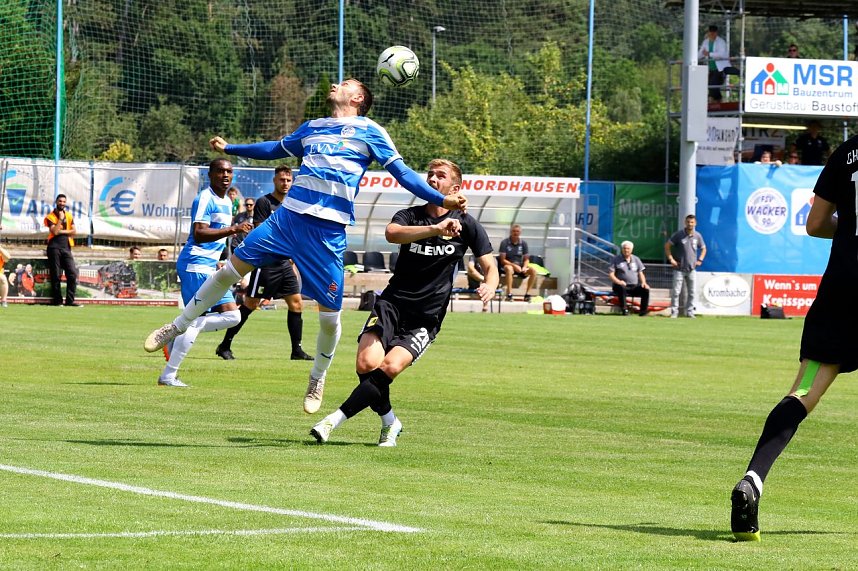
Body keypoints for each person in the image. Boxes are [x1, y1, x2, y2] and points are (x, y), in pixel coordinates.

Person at [144, 78, 468, 414]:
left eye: (342, 84)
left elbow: (403, 174)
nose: (333, 85)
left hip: (327, 235)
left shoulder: (370, 131)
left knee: (329, 318)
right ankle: (178, 325)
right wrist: (231, 149)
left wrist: (441, 198)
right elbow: (274, 148)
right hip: (287, 221)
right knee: (229, 271)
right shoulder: (312, 127)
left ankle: (318, 376)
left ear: (357, 97)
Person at [310, 159, 497, 446]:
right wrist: (436, 229)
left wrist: (490, 284)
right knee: (366, 363)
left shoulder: (468, 225)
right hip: (391, 305)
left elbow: (490, 265)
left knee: (390, 367)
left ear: (455, 188)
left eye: (440, 176)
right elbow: (392, 233)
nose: (432, 179)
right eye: (430, 175)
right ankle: (390, 422)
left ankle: (332, 420)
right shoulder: (410, 215)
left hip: (426, 317)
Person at [729, 131, 858, 541]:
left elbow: (817, 223)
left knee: (802, 392)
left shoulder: (848, 152)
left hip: (841, 288)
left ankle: (753, 478)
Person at [156, 159, 253, 387]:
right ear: (210, 175)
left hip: (210, 266)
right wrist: (234, 229)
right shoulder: (205, 198)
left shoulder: (228, 202)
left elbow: (216, 237)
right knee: (197, 320)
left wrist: (222, 260)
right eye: (220, 171)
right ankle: (169, 375)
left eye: (229, 171)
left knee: (233, 316)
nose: (225, 175)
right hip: (195, 264)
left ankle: (177, 329)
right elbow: (199, 233)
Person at [216, 166, 313, 361]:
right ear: (274, 181)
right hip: (268, 263)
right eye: (281, 180)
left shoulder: (294, 204)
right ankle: (224, 345)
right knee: (251, 304)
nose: (285, 183)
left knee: (296, 303)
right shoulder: (264, 202)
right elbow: (262, 232)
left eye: (288, 180)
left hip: (285, 263)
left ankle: (297, 350)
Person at [665, 214, 706, 319]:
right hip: (679, 268)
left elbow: (704, 249)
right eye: (688, 222)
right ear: (685, 222)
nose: (690, 224)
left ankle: (690, 312)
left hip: (692, 269)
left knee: (692, 292)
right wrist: (671, 259)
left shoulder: (698, 236)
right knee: (676, 292)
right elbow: (667, 246)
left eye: (692, 222)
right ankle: (674, 312)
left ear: (695, 223)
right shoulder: (679, 235)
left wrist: (700, 259)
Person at [44, 194, 80, 307]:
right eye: (60, 201)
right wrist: (60, 219)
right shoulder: (50, 216)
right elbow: (54, 232)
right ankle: (58, 301)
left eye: (64, 201)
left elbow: (74, 232)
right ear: (56, 202)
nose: (62, 203)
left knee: (72, 273)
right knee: (56, 275)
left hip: (66, 246)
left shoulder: (69, 215)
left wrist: (62, 231)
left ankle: (70, 301)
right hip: (54, 247)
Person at [607, 241, 650, 316]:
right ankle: (625, 310)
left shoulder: (636, 259)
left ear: (632, 249)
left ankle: (643, 312)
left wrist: (644, 283)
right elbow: (611, 274)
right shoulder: (616, 259)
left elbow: (641, 273)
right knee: (621, 288)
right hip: (620, 286)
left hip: (633, 286)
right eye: (624, 248)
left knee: (645, 289)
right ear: (621, 249)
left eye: (628, 248)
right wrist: (619, 282)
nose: (626, 250)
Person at [498, 224, 537, 302]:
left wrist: (524, 267)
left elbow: (526, 259)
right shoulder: (505, 242)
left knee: (533, 271)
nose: (515, 233)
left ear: (520, 233)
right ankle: (509, 294)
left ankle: (527, 294)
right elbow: (502, 260)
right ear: (510, 232)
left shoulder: (523, 243)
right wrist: (514, 266)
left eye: (517, 231)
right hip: (508, 265)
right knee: (509, 269)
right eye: (514, 231)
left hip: (520, 267)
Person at [698, 24, 730, 102]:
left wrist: (710, 54)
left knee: (713, 84)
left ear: (716, 33)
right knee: (710, 85)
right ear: (708, 33)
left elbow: (722, 54)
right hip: (711, 68)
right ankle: (716, 100)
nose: (712, 34)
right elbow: (700, 53)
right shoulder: (706, 42)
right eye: (711, 32)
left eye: (714, 32)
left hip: (720, 69)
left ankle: (715, 100)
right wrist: (691, 59)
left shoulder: (721, 42)